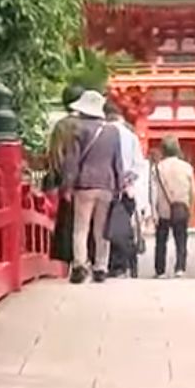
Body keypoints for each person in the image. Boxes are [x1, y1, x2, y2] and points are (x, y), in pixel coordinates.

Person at [59, 89, 126, 283]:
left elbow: (72, 161)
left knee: (81, 228)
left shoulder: (78, 129)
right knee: (101, 229)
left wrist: (67, 187)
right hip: (107, 184)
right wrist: (119, 186)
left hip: (84, 183)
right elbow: (117, 162)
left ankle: (80, 265)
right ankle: (101, 266)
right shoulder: (113, 131)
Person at [43, 85, 88, 272]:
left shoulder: (62, 126)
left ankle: (71, 263)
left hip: (66, 181)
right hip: (87, 180)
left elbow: (54, 155)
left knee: (69, 223)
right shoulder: (89, 124)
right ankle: (88, 261)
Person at [108, 110, 148, 278]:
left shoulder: (101, 132)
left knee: (101, 226)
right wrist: (126, 181)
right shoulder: (130, 137)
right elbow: (138, 165)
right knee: (122, 227)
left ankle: (104, 262)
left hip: (103, 186)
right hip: (125, 189)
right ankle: (121, 264)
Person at [150, 136, 195, 277]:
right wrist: (191, 207)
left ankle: (160, 270)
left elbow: (153, 191)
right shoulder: (186, 167)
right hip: (181, 207)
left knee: (161, 241)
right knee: (181, 239)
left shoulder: (157, 168)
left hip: (163, 208)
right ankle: (180, 268)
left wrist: (153, 211)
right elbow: (193, 190)